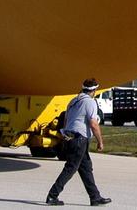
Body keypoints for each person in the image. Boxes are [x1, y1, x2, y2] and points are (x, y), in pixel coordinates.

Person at [45, 78, 111, 206]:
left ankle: (95, 197)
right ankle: (52, 196)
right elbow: (93, 123)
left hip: (70, 137)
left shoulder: (73, 101)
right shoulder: (90, 102)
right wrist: (100, 141)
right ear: (94, 90)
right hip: (80, 139)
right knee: (70, 168)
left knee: (86, 169)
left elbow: (66, 121)